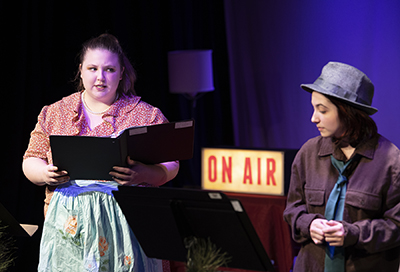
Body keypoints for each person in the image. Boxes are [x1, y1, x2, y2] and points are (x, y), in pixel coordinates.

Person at [22, 33, 179, 272]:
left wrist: (145, 174)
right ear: (81, 71)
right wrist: (45, 173)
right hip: (70, 229)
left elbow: (172, 164)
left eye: (109, 69)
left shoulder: (146, 115)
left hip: (128, 226)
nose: (100, 77)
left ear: (121, 73)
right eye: (93, 68)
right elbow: (31, 158)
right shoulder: (55, 112)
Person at [283, 61, 400, 271]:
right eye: (313, 108)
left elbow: (396, 226)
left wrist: (354, 234)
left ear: (348, 112)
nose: (313, 118)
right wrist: (308, 224)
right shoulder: (309, 154)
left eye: (323, 110)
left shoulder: (390, 161)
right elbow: (293, 209)